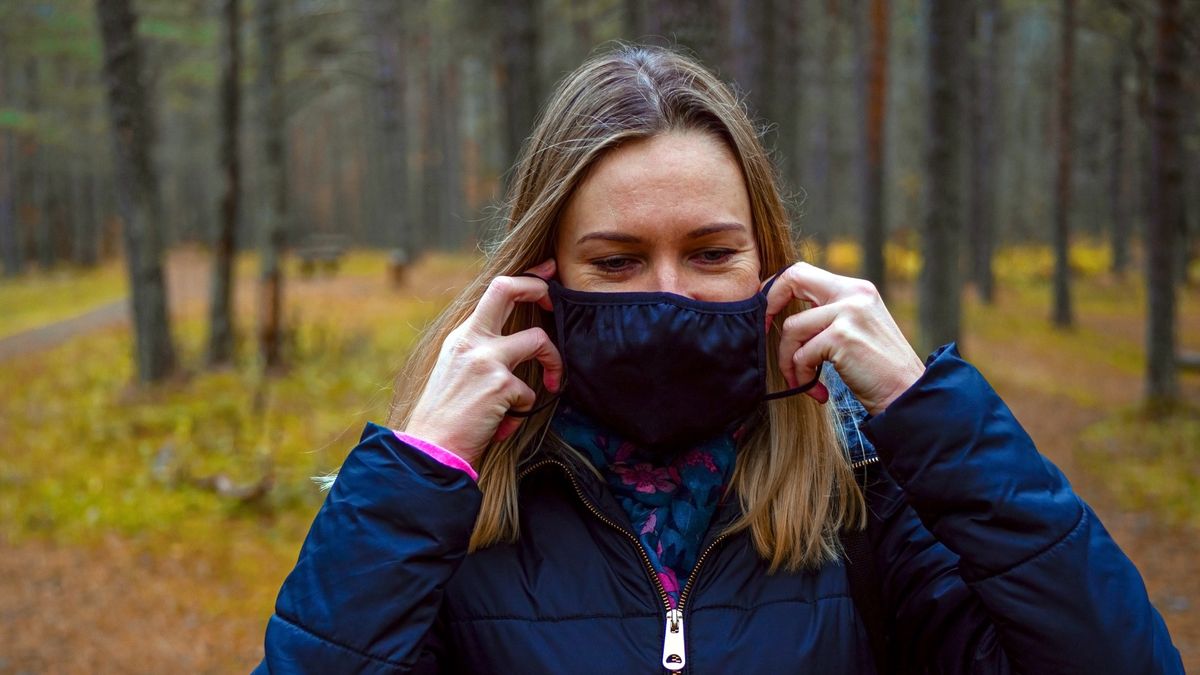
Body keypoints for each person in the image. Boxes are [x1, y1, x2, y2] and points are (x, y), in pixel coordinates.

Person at [253, 45, 1183, 674]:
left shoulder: (858, 491)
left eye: (711, 253)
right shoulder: (445, 514)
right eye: (616, 262)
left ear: (770, 264)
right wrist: (420, 474)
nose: (673, 294)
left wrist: (922, 407)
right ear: (541, 277)